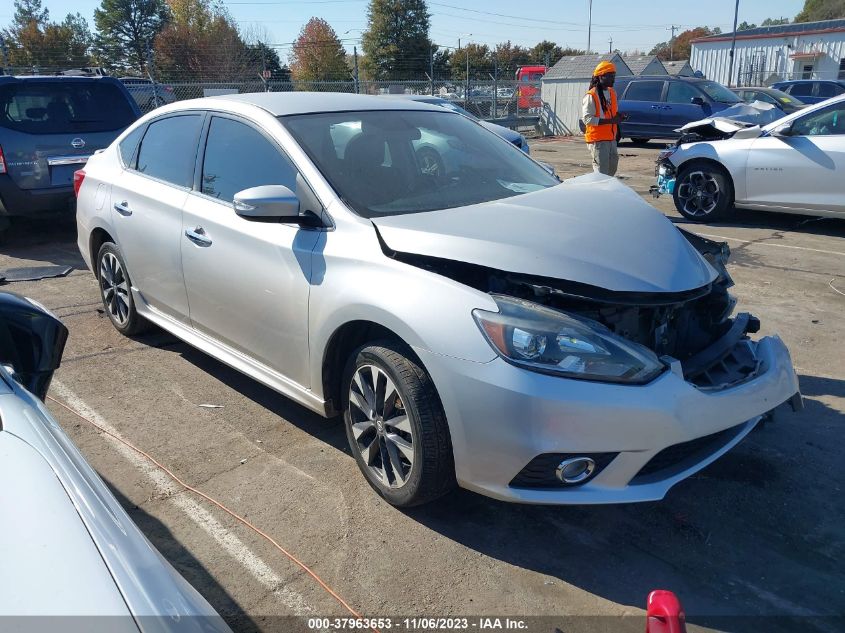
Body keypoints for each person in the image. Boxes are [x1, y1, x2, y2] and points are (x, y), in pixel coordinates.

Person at [581, 60, 625, 176]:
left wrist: (619, 116)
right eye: (610, 76)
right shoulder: (591, 95)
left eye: (614, 76)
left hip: (611, 139)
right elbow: (587, 119)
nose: (613, 79)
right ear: (601, 76)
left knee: (611, 171)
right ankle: (599, 193)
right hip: (598, 141)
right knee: (601, 174)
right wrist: (611, 121)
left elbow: (611, 113)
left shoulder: (611, 92)